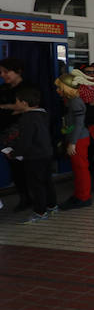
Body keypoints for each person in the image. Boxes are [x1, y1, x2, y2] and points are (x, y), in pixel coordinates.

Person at [2, 85, 56, 223]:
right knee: (47, 181)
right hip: (46, 153)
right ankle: (52, 206)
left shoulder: (27, 118)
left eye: (17, 101)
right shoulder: (43, 114)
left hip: (34, 156)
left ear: (24, 103)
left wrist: (13, 153)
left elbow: (26, 141)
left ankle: (40, 212)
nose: (16, 104)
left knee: (36, 185)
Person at [55, 73, 93, 210]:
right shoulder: (71, 100)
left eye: (59, 87)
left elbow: (78, 124)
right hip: (77, 138)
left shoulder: (75, 102)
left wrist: (73, 142)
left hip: (79, 140)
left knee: (81, 168)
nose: (57, 90)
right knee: (78, 169)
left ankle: (84, 197)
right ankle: (80, 195)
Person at [0, 57, 34, 211]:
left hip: (25, 135)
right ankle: (24, 198)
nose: (3, 75)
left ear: (18, 71)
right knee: (16, 169)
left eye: (7, 72)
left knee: (30, 168)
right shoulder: (3, 89)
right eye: (1, 72)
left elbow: (30, 109)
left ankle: (39, 199)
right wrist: (12, 108)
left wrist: (6, 107)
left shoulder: (29, 87)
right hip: (6, 136)